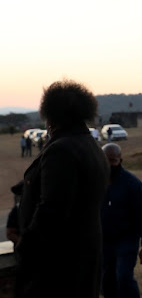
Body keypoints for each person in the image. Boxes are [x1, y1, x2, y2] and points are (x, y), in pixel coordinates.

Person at [15, 79, 110, 298]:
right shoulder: (90, 146)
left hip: (59, 262)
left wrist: (26, 247)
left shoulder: (61, 150)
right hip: (84, 253)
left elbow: (53, 209)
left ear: (52, 115)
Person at [101, 143, 142, 298]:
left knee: (123, 276)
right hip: (105, 241)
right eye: (105, 160)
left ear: (120, 160)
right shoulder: (97, 182)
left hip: (126, 240)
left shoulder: (132, 184)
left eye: (113, 160)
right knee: (106, 281)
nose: (109, 164)